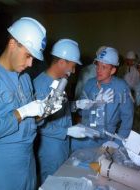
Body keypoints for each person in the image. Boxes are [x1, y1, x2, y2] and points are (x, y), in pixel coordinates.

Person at [0, 17, 62, 190]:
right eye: (28, 55)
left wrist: (44, 111)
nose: (30, 64)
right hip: (3, 166)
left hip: (28, 161)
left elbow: (30, 121)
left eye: (33, 59)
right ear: (13, 44)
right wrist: (21, 112)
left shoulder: (26, 79)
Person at [33, 38, 90, 184]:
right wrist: (67, 131)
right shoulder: (40, 86)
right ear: (62, 62)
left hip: (62, 145)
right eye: (73, 66)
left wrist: (75, 105)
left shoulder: (59, 82)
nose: (74, 70)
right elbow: (38, 125)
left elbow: (57, 109)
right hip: (50, 149)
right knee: (51, 183)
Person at [71, 46, 134, 151]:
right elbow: (81, 113)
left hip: (106, 138)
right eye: (98, 66)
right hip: (84, 134)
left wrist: (118, 142)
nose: (99, 70)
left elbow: (127, 118)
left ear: (113, 70)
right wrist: (93, 104)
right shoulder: (90, 83)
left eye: (104, 67)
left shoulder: (121, 87)